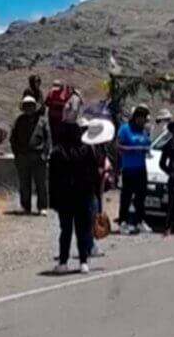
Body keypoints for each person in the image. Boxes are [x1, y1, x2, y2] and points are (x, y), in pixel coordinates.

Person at [49, 122, 100, 274]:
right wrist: (93, 194)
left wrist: (53, 200)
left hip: (64, 197)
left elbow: (52, 179)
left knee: (65, 230)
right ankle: (83, 262)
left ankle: (63, 262)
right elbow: (94, 175)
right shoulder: (86, 150)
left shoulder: (57, 152)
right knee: (82, 230)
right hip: (83, 196)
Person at [11, 96, 51, 215]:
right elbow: (13, 138)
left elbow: (48, 138)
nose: (29, 108)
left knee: (41, 183)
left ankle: (42, 206)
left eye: (31, 105)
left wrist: (45, 153)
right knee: (24, 183)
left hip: (38, 156)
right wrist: (16, 153)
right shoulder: (19, 121)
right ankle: (25, 206)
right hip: (23, 156)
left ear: (35, 107)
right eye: (26, 105)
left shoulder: (42, 121)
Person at [81, 118, 115, 257]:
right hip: (87, 188)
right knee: (90, 217)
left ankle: (90, 245)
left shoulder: (99, 149)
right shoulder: (86, 149)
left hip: (96, 187)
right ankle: (89, 246)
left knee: (94, 215)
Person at [117, 105, 151, 235]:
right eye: (141, 118)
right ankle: (123, 221)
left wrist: (145, 148)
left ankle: (139, 221)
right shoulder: (125, 129)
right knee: (126, 196)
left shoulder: (143, 131)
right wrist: (131, 150)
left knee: (141, 196)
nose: (143, 121)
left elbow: (147, 143)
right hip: (129, 168)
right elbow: (118, 145)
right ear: (136, 117)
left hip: (141, 168)